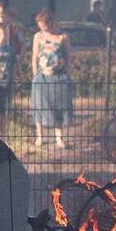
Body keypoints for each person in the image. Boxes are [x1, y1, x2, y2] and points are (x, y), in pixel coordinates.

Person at [30, 8, 73, 148]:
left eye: (43, 25)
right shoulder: (38, 36)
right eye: (39, 25)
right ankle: (40, 136)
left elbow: (69, 57)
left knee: (59, 106)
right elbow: (34, 57)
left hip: (59, 77)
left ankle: (59, 138)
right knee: (39, 105)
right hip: (42, 77)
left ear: (50, 23)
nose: (41, 28)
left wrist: (68, 74)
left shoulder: (63, 37)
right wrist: (35, 74)